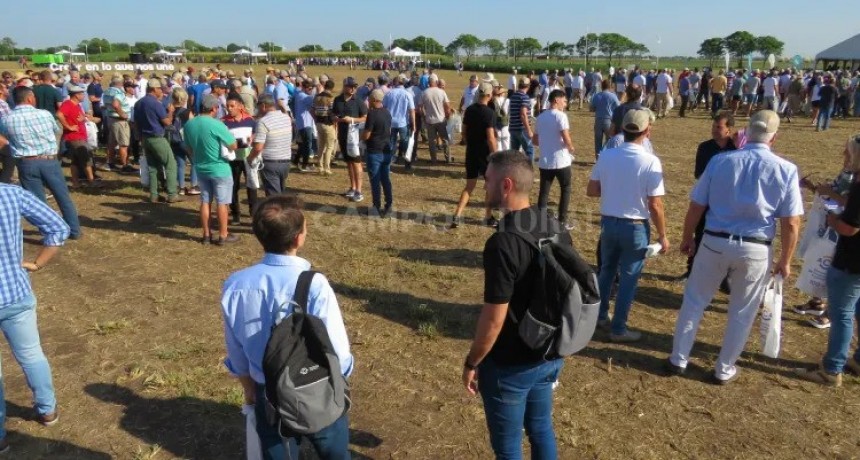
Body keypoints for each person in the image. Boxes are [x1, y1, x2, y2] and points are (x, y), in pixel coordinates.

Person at [668, 110, 803, 384]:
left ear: (745, 132)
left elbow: (697, 205)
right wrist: (785, 260)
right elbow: (791, 223)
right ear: (774, 137)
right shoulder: (786, 169)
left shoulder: (719, 161)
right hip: (755, 248)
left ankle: (678, 358)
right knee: (742, 312)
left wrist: (687, 237)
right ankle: (724, 368)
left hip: (715, 240)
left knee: (694, 301)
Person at [220, 195, 353, 459]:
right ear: (299, 238)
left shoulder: (235, 285)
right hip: (317, 388)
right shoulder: (314, 284)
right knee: (333, 451)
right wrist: (343, 377)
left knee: (277, 451)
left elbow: (235, 348)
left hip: (267, 391)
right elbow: (338, 348)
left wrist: (248, 386)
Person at [462, 150, 565, 459]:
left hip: (510, 364)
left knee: (508, 448)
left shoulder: (502, 242)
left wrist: (472, 362)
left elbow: (494, 320)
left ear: (505, 185)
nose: (483, 186)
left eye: (488, 180)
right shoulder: (552, 224)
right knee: (541, 428)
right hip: (548, 353)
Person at [0, 182, 70, 453]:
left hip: (16, 295)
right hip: (16, 293)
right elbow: (58, 226)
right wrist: (38, 262)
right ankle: (48, 410)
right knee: (32, 355)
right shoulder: (11, 193)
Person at [588, 109, 668, 342]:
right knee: (629, 279)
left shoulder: (606, 155)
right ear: (647, 131)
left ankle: (599, 316)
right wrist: (663, 235)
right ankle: (619, 328)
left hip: (609, 223)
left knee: (606, 273)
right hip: (635, 226)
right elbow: (655, 204)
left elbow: (592, 190)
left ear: (622, 129)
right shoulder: (650, 161)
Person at [794, 136, 860, 386]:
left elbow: (849, 227)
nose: (848, 157)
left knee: (841, 313)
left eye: (851, 153)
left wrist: (833, 220)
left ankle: (831, 369)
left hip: (851, 260)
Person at [0, 87, 81, 239]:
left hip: (26, 162)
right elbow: (55, 129)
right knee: (63, 197)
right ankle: (74, 230)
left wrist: (13, 145)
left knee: (38, 202)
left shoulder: (7, 119)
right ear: (30, 98)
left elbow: (3, 136)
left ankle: (49, 232)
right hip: (49, 160)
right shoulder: (44, 114)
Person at [680, 113, 738, 281]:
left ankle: (726, 277)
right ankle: (691, 270)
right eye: (713, 126)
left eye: (719, 127)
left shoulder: (736, 149)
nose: (714, 130)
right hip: (707, 198)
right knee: (700, 232)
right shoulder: (704, 147)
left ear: (729, 129)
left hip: (728, 201)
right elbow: (699, 174)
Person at [451, 82, 497, 229]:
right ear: (489, 96)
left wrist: (467, 141)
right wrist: (495, 154)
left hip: (471, 152)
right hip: (485, 154)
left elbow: (464, 131)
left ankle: (457, 215)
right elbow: (490, 137)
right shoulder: (489, 113)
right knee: (489, 186)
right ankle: (488, 216)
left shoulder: (470, 110)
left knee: (469, 186)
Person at [134, 78, 182, 203]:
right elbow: (167, 122)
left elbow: (135, 122)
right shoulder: (155, 103)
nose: (161, 90)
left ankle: (154, 194)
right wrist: (170, 112)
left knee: (153, 167)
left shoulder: (138, 103)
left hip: (145, 138)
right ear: (154, 89)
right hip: (157, 137)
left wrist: (139, 137)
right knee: (171, 164)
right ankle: (172, 194)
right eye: (160, 88)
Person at [533, 89, 575, 228]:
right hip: (561, 160)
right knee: (566, 188)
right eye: (564, 100)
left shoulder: (540, 117)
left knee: (544, 191)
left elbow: (535, 140)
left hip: (545, 161)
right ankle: (562, 220)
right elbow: (565, 137)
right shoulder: (561, 116)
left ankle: (540, 220)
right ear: (556, 100)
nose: (565, 103)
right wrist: (570, 147)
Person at [248, 94, 293, 197]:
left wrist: (250, 158)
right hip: (285, 161)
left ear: (263, 106)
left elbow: (258, 147)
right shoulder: (286, 118)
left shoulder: (263, 122)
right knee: (281, 193)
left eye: (258, 106)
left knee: (273, 197)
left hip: (270, 162)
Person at [222, 95, 258, 224]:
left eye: (232, 106)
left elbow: (255, 134)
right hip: (232, 159)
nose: (229, 109)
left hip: (248, 158)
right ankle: (235, 214)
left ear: (240, 106)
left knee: (251, 185)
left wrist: (252, 139)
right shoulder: (223, 122)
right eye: (227, 106)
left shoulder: (250, 120)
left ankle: (253, 213)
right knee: (233, 186)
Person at [332, 78, 367, 201]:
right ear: (344, 86)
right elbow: (333, 114)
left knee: (356, 163)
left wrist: (352, 120)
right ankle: (352, 187)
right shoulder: (337, 100)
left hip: (354, 137)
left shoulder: (358, 101)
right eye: (350, 86)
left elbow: (364, 118)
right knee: (349, 162)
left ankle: (359, 191)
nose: (353, 89)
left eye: (355, 87)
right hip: (342, 135)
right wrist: (335, 118)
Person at [56, 85, 97, 188]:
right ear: (76, 95)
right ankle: (91, 181)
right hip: (75, 137)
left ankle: (75, 183)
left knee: (76, 160)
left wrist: (83, 118)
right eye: (82, 94)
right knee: (86, 158)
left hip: (79, 136)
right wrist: (68, 126)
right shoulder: (68, 104)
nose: (84, 96)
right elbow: (59, 114)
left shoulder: (77, 105)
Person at [363, 89, 393, 216]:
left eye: (369, 100)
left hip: (374, 151)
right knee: (385, 179)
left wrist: (361, 135)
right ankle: (389, 205)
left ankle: (376, 207)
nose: (368, 102)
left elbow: (366, 135)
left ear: (374, 100)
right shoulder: (387, 112)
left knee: (375, 180)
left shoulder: (372, 114)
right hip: (386, 150)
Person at [166, 88, 199, 196]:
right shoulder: (187, 112)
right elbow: (194, 126)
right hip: (186, 140)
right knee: (195, 162)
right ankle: (194, 185)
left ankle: (181, 187)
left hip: (174, 140)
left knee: (180, 164)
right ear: (184, 99)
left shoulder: (169, 110)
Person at [382, 75, 416, 171]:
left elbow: (383, 108)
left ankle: (388, 166)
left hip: (391, 123)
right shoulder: (407, 94)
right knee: (405, 143)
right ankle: (407, 164)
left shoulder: (389, 93)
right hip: (403, 122)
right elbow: (412, 110)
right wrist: (414, 124)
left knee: (391, 144)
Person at [420, 74, 451, 163]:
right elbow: (447, 106)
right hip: (441, 120)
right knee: (445, 140)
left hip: (430, 121)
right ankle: (448, 158)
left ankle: (434, 159)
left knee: (431, 142)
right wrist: (447, 116)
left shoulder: (424, 93)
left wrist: (424, 117)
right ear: (436, 82)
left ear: (428, 82)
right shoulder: (441, 92)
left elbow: (420, 108)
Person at [508, 77, 535, 163]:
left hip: (513, 127)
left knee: (514, 153)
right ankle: (528, 170)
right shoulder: (525, 97)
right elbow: (523, 114)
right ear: (528, 86)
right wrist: (529, 130)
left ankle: (514, 171)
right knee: (529, 150)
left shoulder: (513, 96)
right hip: (522, 128)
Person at [590, 80, 620, 159]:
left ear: (601, 86)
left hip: (598, 120)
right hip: (608, 120)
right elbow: (618, 107)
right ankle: (605, 154)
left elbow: (592, 109)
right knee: (610, 139)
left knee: (598, 140)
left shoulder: (597, 95)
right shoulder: (613, 96)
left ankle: (598, 158)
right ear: (610, 86)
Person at [313, 79, 337, 176]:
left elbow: (313, 108)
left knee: (321, 146)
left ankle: (320, 166)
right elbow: (332, 112)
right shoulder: (330, 98)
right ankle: (327, 168)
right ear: (332, 88)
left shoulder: (317, 97)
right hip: (328, 124)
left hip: (318, 123)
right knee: (330, 146)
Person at [292, 79, 317, 173]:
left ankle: (296, 160)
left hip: (302, 123)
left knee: (303, 144)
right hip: (305, 123)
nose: (310, 91)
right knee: (307, 145)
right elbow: (315, 102)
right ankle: (305, 165)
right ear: (304, 88)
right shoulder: (305, 97)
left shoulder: (299, 94)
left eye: (311, 89)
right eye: (309, 89)